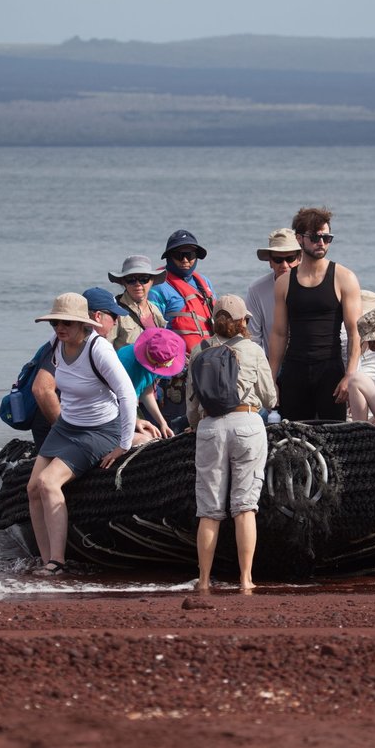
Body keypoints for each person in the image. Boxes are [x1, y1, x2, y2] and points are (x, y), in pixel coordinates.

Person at [26, 293, 138, 576]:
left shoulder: (97, 349)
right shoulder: (56, 344)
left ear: (83, 324)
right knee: (32, 488)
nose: (60, 329)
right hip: (66, 425)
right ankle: (44, 558)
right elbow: (42, 386)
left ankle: (57, 562)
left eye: (67, 323)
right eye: (55, 324)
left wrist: (123, 444)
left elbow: (126, 394)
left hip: (100, 430)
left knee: (49, 483)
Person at [186, 294, 277, 592]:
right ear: (243, 321)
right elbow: (270, 398)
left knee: (209, 510)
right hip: (247, 424)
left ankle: (202, 580)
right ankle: (246, 579)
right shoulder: (253, 350)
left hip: (210, 426)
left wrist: (200, 427)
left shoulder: (198, 351)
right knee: (244, 506)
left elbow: (191, 406)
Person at [267, 207, 363, 421]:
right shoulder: (284, 282)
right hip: (294, 369)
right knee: (294, 438)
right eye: (315, 237)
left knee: (333, 438)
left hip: (330, 369)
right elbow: (279, 333)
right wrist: (271, 377)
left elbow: (355, 331)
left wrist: (350, 375)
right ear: (300, 239)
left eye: (326, 237)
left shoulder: (344, 277)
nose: (321, 243)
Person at [32, 287, 140, 448]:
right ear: (97, 316)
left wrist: (136, 421)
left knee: (145, 436)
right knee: (142, 440)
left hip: (88, 424)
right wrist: (66, 436)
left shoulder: (92, 345)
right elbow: (41, 389)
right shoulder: (64, 343)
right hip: (59, 427)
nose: (116, 322)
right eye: (114, 316)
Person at [149, 229, 219, 423]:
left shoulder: (204, 282)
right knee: (177, 422)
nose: (186, 260)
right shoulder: (157, 287)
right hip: (176, 373)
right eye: (179, 255)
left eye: (190, 255)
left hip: (209, 367)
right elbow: (152, 334)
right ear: (169, 257)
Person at [116, 327, 185, 440]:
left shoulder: (160, 358)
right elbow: (114, 398)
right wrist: (134, 421)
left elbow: (147, 392)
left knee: (157, 432)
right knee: (147, 438)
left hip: (132, 403)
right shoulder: (126, 362)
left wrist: (162, 422)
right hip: (113, 408)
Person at [245, 228, 300, 354]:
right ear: (270, 262)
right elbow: (253, 338)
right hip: (273, 363)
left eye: (290, 258)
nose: (285, 265)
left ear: (299, 258)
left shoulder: (315, 286)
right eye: (278, 260)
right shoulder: (256, 290)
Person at [108, 254, 167, 350]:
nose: (138, 284)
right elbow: (106, 348)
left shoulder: (155, 311)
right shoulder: (114, 311)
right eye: (131, 279)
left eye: (144, 279)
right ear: (124, 282)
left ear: (152, 281)